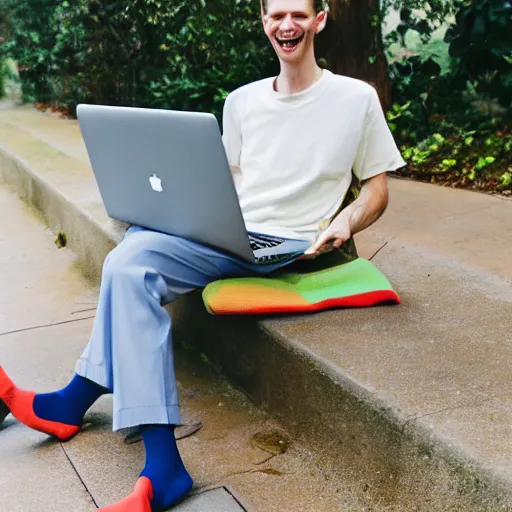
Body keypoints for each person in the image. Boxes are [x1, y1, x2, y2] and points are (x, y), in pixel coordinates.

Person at [0, 0, 405, 510]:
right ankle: (109, 429)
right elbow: (229, 184)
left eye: (298, 14)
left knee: (129, 261)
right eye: (275, 15)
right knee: (131, 254)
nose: (287, 26)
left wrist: (346, 221)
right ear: (263, 21)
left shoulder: (355, 98)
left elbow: (376, 190)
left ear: (320, 19)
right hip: (230, 233)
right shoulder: (241, 102)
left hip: (288, 246)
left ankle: (106, 423)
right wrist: (179, 211)